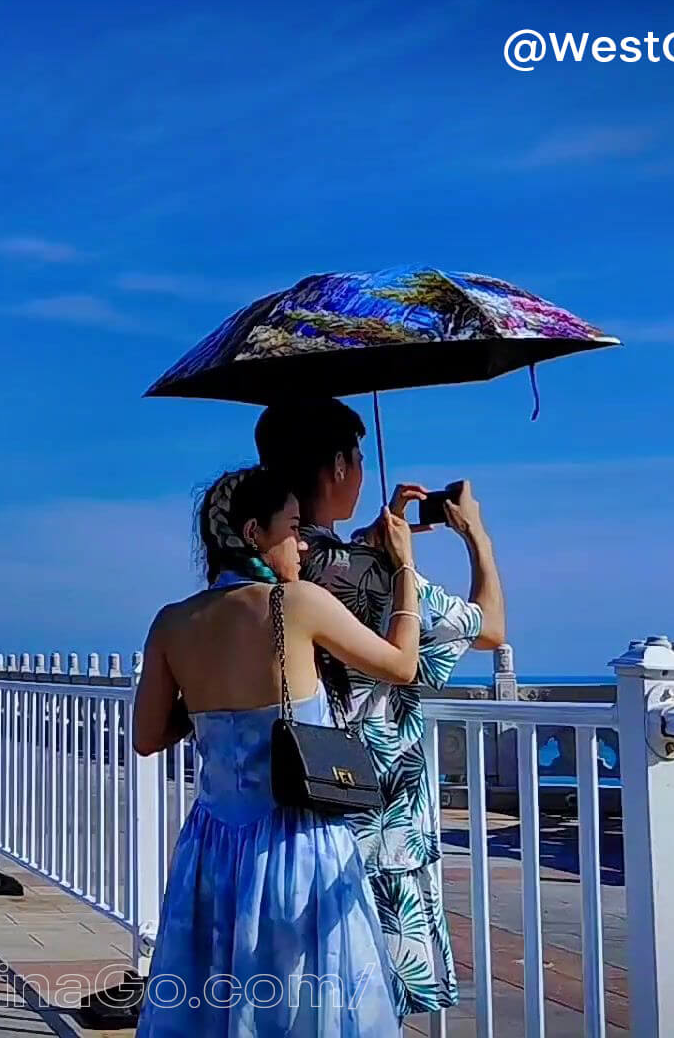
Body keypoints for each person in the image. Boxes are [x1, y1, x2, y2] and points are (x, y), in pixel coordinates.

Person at [132, 465, 423, 1036]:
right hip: (296, 840)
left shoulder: (171, 623)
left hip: (212, 846)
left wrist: (215, 711)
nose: (303, 541)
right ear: (252, 533)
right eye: (292, 527)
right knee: (304, 1002)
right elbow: (402, 664)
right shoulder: (296, 604)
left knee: (216, 1001)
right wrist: (405, 567)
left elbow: (146, 738)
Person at [254, 398, 506, 1019]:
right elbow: (491, 629)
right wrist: (475, 536)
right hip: (382, 813)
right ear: (338, 467)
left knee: (307, 1000)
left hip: (295, 808)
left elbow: (330, 570)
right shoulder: (380, 575)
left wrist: (370, 543)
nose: (363, 470)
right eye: (357, 458)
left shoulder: (267, 564)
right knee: (374, 1003)